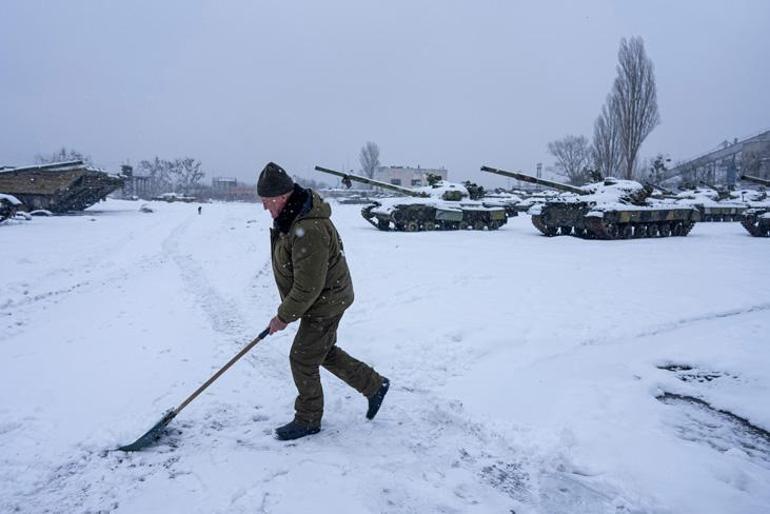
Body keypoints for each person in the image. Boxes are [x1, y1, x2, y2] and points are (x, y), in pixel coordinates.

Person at [258, 162, 389, 441]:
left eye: (267, 201)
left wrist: (283, 317)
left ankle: (308, 419)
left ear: (281, 196)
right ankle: (374, 385)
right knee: (321, 350)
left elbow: (308, 286)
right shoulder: (293, 219)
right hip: (322, 298)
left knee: (302, 357)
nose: (265, 208)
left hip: (326, 300)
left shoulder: (309, 228)